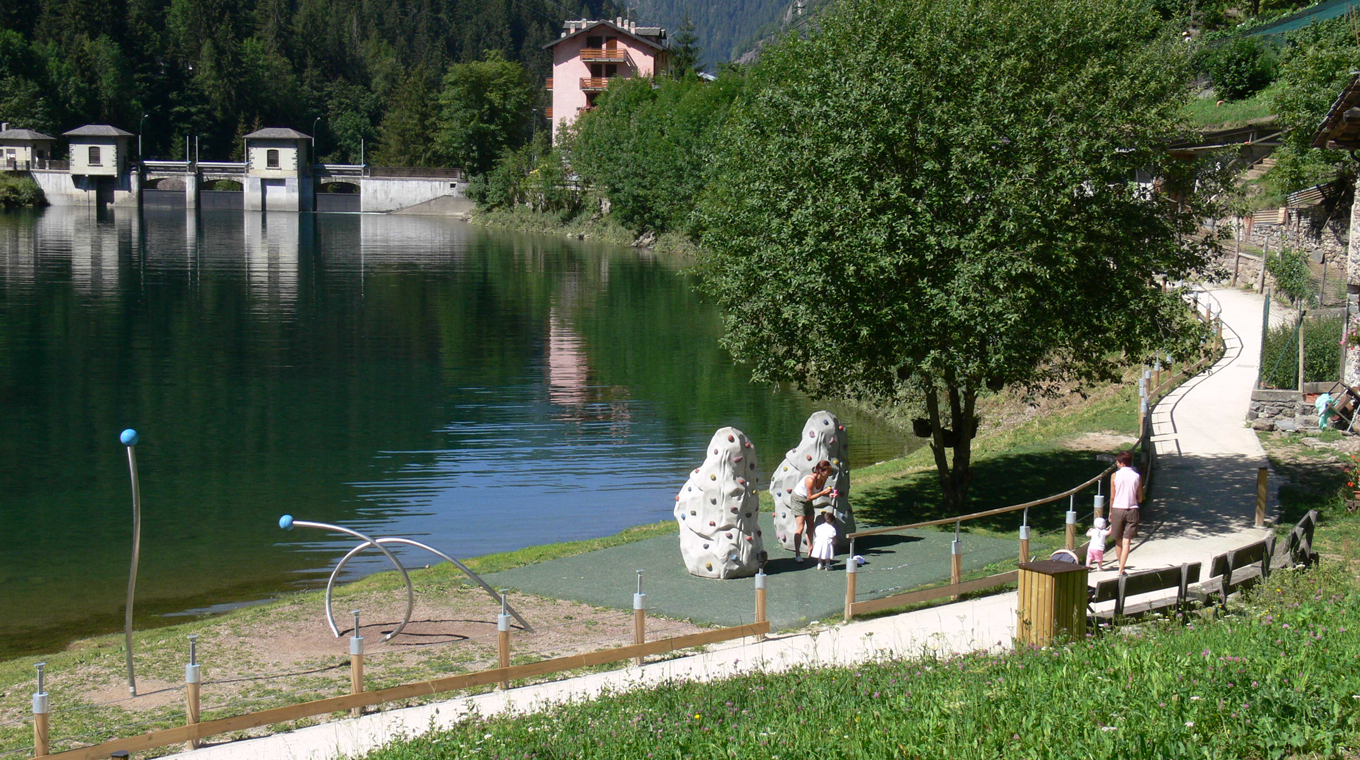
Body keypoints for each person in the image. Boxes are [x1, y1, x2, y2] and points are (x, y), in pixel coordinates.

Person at [791, 460, 835, 561]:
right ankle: (797, 554)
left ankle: (810, 549)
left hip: (807, 500)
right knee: (800, 527)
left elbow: (818, 492)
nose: (829, 474)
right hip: (798, 499)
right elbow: (810, 497)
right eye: (827, 472)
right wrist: (823, 492)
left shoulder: (823, 479)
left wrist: (829, 494)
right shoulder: (810, 480)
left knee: (810, 525)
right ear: (821, 471)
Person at [1108, 450, 1143, 575]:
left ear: (1121, 463)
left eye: (1117, 462)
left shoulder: (1115, 476)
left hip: (1118, 508)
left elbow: (1112, 497)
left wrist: (1110, 512)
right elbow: (1140, 497)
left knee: (1118, 539)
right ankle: (1121, 568)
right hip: (1132, 509)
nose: (1117, 464)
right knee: (1127, 540)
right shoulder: (1136, 476)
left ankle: (1120, 565)